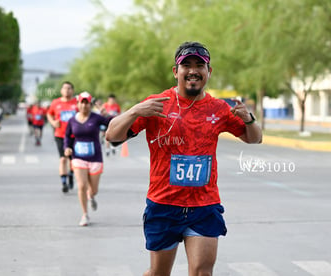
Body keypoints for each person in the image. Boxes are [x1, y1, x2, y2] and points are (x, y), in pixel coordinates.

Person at [105, 41, 262, 276]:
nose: (193, 70)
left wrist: (249, 119)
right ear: (175, 71)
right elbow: (111, 135)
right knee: (159, 273)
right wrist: (136, 111)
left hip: (204, 205)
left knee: (202, 272)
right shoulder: (157, 104)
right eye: (186, 65)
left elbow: (254, 139)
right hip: (164, 204)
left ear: (209, 72)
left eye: (200, 65)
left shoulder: (219, 109)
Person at [64, 92, 112, 226]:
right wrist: (67, 147)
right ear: (78, 104)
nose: (84, 105)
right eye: (82, 102)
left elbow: (112, 123)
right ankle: (85, 214)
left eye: (87, 103)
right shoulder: (72, 120)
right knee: (82, 185)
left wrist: (105, 114)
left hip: (95, 157)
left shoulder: (96, 118)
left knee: (93, 189)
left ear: (90, 105)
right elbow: (67, 136)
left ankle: (91, 196)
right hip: (78, 157)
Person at [46, 81, 78, 193]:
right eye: (64, 88)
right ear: (61, 90)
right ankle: (64, 182)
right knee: (63, 159)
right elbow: (49, 113)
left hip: (75, 135)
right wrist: (53, 122)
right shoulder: (56, 103)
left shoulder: (77, 103)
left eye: (69, 88)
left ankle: (71, 176)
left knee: (73, 160)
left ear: (72, 90)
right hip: (60, 135)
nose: (67, 90)